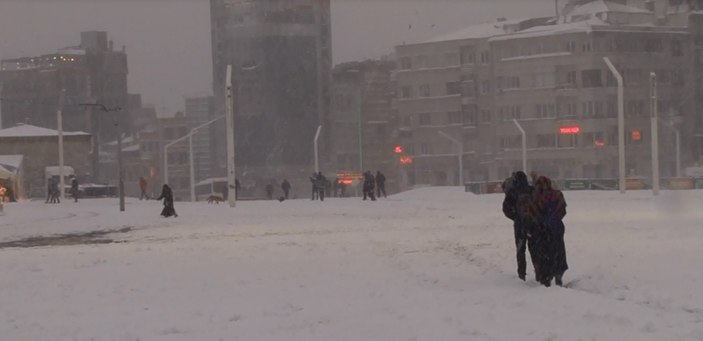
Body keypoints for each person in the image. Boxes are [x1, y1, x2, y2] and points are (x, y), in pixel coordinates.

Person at [502, 171, 539, 282]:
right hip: (532, 224)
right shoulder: (531, 190)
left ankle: (521, 273)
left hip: (519, 225)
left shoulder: (512, 192)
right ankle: (538, 271)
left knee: (520, 250)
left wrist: (516, 218)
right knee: (534, 249)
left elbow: (506, 209)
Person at [534, 176, 568, 287]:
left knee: (545, 253)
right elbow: (562, 210)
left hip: (543, 230)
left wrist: (541, 223)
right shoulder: (557, 195)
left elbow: (534, 213)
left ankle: (546, 277)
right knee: (559, 252)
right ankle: (558, 274)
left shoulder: (537, 198)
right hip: (557, 228)